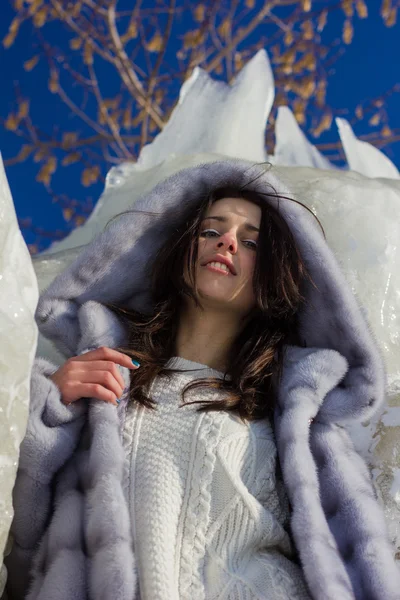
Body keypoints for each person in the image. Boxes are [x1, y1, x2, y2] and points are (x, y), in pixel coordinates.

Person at [4, 160, 399, 600]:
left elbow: (362, 569)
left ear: (273, 276)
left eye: (251, 242)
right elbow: (19, 546)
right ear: (178, 251)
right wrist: (44, 410)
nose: (227, 242)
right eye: (211, 231)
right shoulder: (101, 387)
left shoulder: (299, 420)